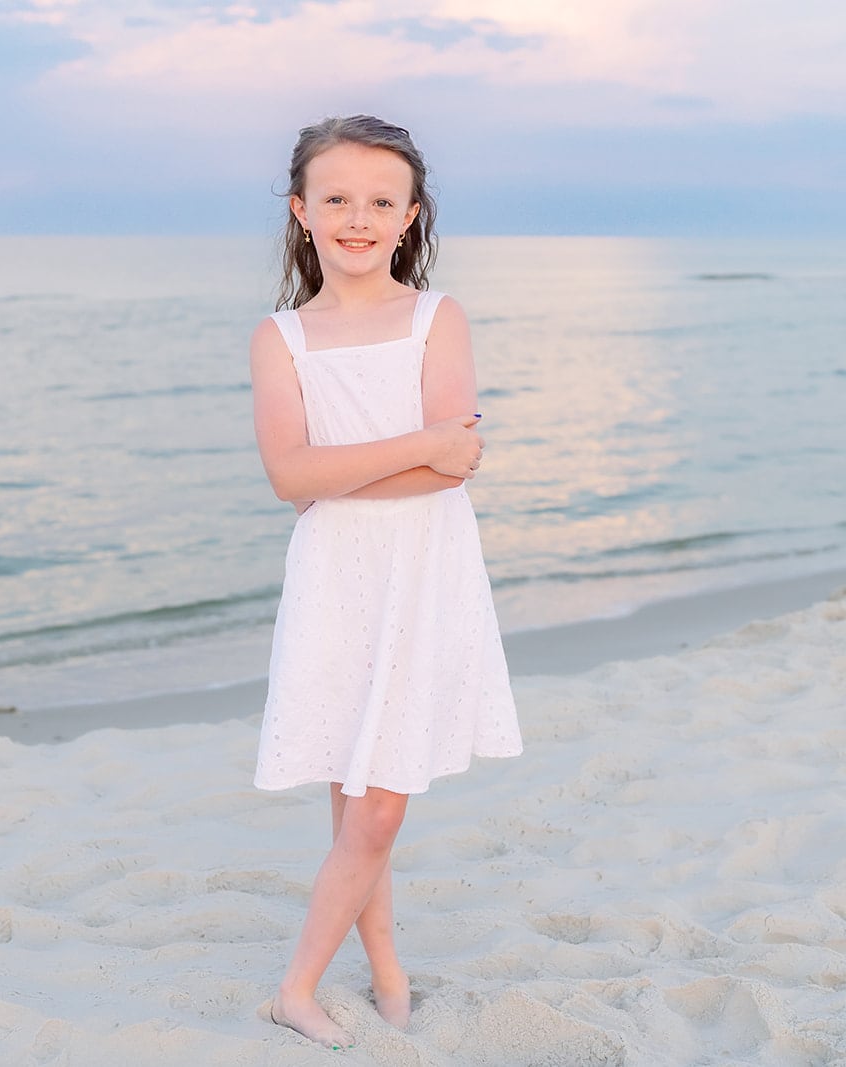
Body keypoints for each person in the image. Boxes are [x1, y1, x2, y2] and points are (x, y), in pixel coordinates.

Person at [248, 115, 523, 1050]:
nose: (356, 218)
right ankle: (323, 984)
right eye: (335, 199)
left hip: (424, 572)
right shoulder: (281, 337)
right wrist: (420, 444)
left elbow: (455, 471)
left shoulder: (435, 318)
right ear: (302, 210)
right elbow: (290, 476)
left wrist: (355, 467)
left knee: (378, 800)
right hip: (335, 579)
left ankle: (361, 974)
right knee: (358, 802)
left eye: (379, 200)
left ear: (409, 216)